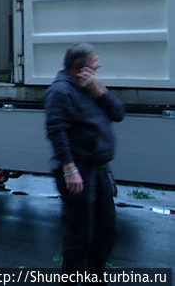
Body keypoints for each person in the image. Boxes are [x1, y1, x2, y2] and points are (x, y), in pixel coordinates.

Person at [44, 43, 125, 278]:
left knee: (106, 228)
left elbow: (118, 113)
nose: (99, 65)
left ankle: (95, 277)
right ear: (78, 67)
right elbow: (56, 131)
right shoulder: (60, 91)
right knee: (80, 233)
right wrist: (70, 169)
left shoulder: (90, 87)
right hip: (79, 171)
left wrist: (100, 92)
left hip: (99, 170)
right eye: (94, 62)